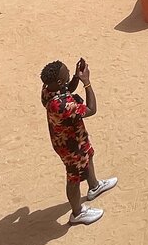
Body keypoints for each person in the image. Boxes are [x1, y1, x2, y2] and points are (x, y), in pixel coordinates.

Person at [39, 58, 117, 226]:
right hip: (70, 146)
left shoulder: (47, 89)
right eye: (67, 74)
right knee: (73, 178)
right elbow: (91, 109)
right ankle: (77, 213)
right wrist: (86, 82)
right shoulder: (63, 105)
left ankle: (94, 186)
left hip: (75, 136)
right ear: (60, 82)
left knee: (89, 154)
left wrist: (75, 77)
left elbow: (67, 88)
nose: (69, 74)